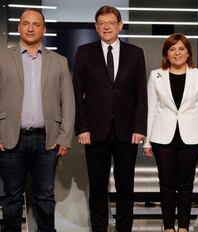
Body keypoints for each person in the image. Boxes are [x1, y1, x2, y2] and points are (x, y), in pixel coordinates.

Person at [0, 9, 75, 232]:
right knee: (12, 197)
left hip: (47, 140)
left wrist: (65, 138)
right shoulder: (1, 58)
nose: (31, 28)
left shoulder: (59, 61)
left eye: (36, 24)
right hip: (10, 138)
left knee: (45, 196)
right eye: (26, 23)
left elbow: (68, 102)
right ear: (19, 27)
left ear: (44, 29)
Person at [72, 5, 147, 232]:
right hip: (95, 132)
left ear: (120, 26)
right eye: (101, 23)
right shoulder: (84, 52)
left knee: (126, 187)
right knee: (97, 187)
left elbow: (141, 94)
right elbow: (77, 93)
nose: (106, 27)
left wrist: (139, 127)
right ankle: (99, 228)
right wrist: (82, 128)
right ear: (96, 27)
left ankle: (124, 228)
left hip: (127, 131)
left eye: (111, 23)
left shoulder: (135, 53)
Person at [143, 33, 198, 232]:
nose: (177, 53)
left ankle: (183, 227)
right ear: (166, 53)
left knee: (185, 185)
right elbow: (151, 109)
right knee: (165, 185)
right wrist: (147, 141)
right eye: (172, 49)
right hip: (161, 138)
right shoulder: (156, 75)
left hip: (191, 138)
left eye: (181, 48)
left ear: (188, 52)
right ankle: (167, 227)